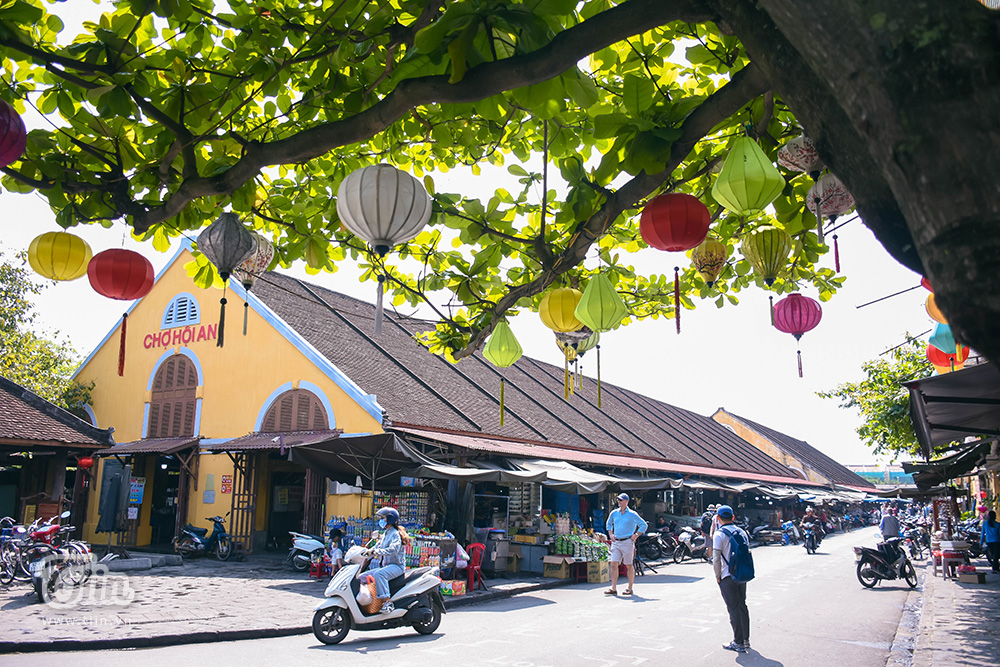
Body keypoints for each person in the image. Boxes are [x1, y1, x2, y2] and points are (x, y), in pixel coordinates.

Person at [713, 505, 751, 654]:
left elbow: (716, 558)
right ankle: (746, 640)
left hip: (727, 575)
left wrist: (717, 575)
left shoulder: (719, 534)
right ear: (733, 517)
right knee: (742, 605)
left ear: (718, 518)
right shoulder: (741, 532)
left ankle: (738, 642)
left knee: (733, 608)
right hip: (741, 574)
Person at [361, 507, 410, 614]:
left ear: (390, 520)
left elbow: (393, 549)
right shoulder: (386, 534)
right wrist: (367, 551)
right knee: (361, 577)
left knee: (379, 574)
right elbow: (377, 546)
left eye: (384, 518)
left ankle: (387, 603)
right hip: (386, 566)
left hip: (397, 566)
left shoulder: (395, 534)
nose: (382, 520)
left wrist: (378, 552)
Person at [605, 493, 647, 596]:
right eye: (618, 500)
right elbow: (609, 523)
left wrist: (636, 535)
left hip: (627, 541)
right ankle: (613, 588)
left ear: (626, 502)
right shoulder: (614, 513)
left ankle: (629, 588)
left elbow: (643, 525)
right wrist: (610, 534)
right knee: (614, 564)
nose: (619, 502)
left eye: (621, 500)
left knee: (628, 565)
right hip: (616, 542)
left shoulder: (632, 514)